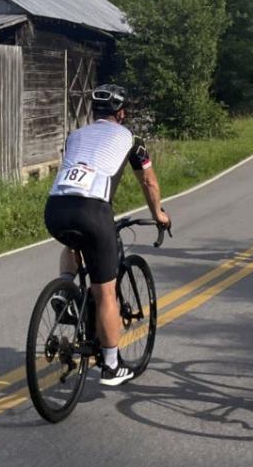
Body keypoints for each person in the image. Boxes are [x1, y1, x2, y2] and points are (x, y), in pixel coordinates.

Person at [44, 84, 170, 386]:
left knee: (74, 241)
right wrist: (159, 215)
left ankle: (64, 287)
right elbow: (149, 183)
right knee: (105, 293)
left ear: (94, 112)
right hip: (94, 211)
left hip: (56, 208)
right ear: (122, 113)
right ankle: (112, 365)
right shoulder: (131, 138)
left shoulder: (75, 135)